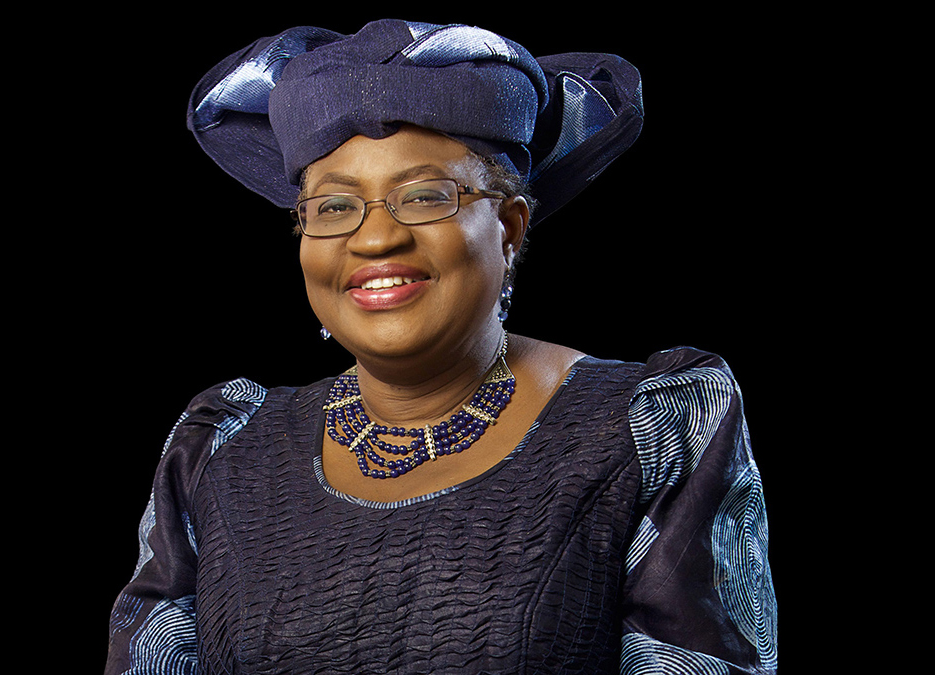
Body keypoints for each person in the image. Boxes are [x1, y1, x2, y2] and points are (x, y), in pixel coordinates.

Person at [105, 19, 777, 674]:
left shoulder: (654, 429)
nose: (374, 240)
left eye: (425, 196)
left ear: (510, 228)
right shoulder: (217, 451)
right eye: (335, 206)